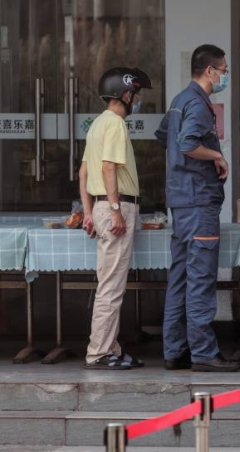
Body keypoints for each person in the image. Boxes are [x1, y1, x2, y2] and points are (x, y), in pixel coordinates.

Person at [155, 44, 240, 372]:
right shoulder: (199, 104)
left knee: (179, 277)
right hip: (198, 200)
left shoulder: (179, 101)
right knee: (201, 278)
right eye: (224, 70)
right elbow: (187, 143)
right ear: (209, 71)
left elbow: (165, 136)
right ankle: (204, 352)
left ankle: (175, 350)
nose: (224, 76)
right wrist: (217, 155)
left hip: (180, 200)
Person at [78, 67, 150, 369]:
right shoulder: (116, 125)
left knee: (109, 281)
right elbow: (108, 168)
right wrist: (116, 209)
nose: (138, 100)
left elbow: (83, 173)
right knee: (111, 285)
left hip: (101, 207)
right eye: (137, 95)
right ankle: (100, 352)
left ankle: (112, 347)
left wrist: (88, 212)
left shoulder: (97, 124)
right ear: (126, 94)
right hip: (115, 207)